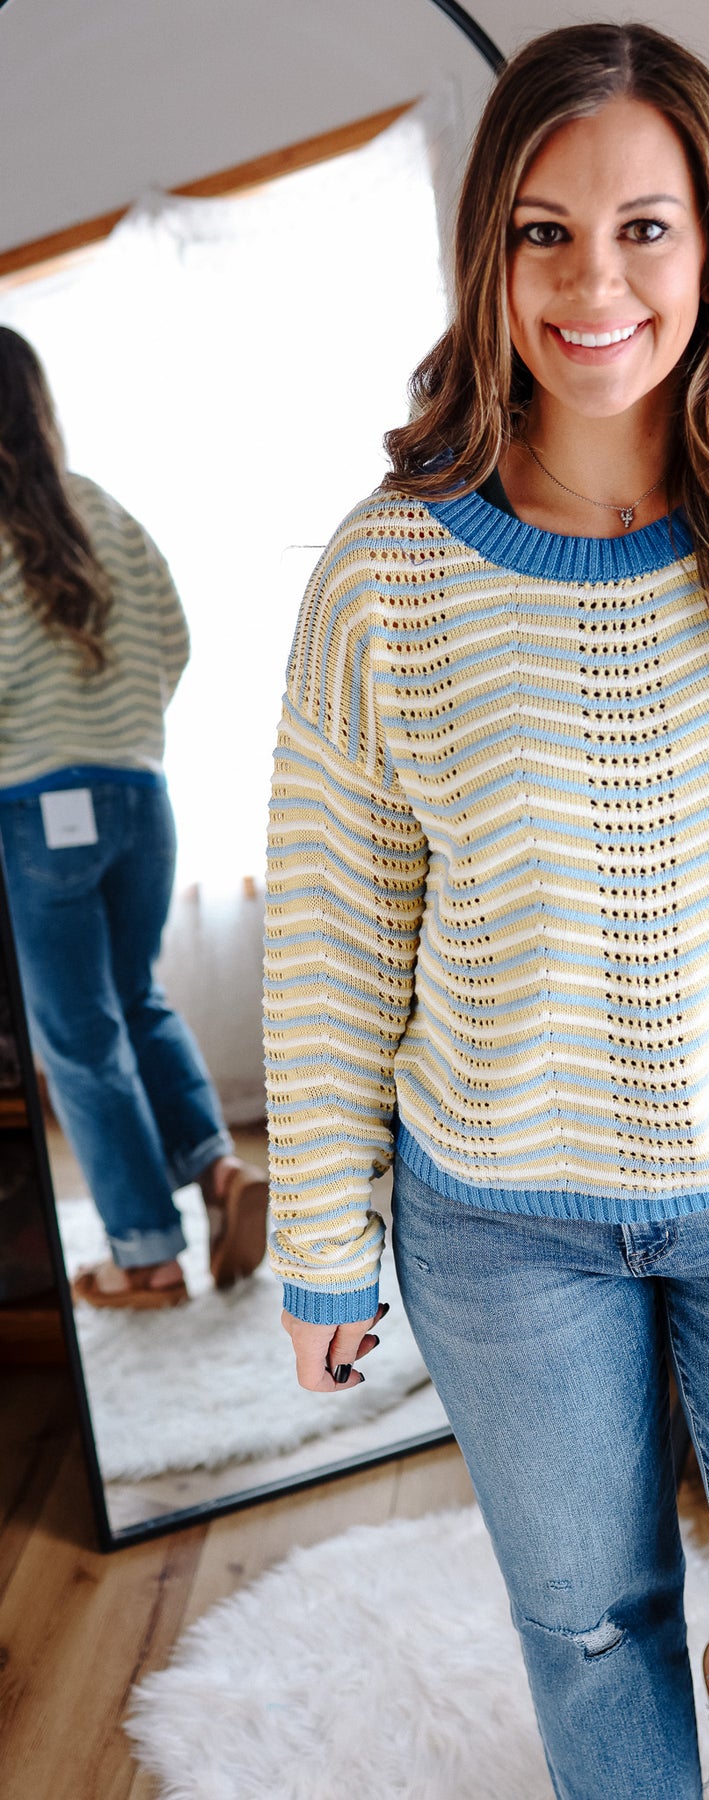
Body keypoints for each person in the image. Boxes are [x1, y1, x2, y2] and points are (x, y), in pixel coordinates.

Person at [266, 23, 709, 1799]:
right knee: (588, 1630)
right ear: (487, 252)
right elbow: (337, 923)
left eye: (644, 228)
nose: (593, 283)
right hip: (499, 1218)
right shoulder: (386, 573)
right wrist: (324, 1236)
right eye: (543, 233)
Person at [0, 326, 268, 1311]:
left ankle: (147, 1257)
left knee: (77, 1037)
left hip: (38, 808)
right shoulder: (102, 508)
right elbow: (175, 640)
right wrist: (117, 734)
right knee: (135, 999)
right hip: (142, 796)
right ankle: (219, 1173)